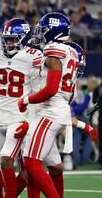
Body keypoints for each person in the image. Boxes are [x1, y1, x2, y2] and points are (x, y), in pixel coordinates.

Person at [16, 12, 79, 198]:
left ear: (53, 30)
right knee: (38, 163)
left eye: (44, 30)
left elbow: (51, 89)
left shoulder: (54, 50)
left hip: (50, 111)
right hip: (59, 109)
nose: (41, 33)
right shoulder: (72, 52)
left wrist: (26, 100)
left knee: (31, 162)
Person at [0, 18, 43, 198]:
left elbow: (36, 94)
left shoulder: (32, 56)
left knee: (6, 160)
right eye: (6, 39)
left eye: (13, 39)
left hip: (18, 118)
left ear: (23, 38)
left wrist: (28, 121)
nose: (8, 42)